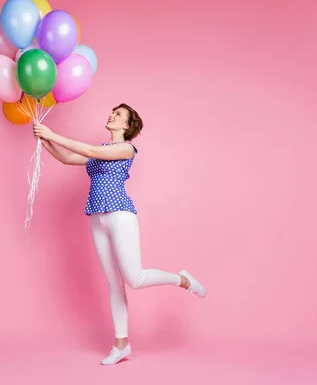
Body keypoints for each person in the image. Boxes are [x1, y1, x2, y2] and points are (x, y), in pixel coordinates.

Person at [32, 103, 206, 365]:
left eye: (118, 114)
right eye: (112, 111)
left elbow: (88, 150)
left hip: (120, 216)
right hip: (97, 217)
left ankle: (180, 279)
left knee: (134, 279)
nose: (111, 115)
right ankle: (121, 344)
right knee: (113, 283)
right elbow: (68, 158)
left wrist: (52, 133)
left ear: (126, 126)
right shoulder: (101, 151)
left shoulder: (126, 148)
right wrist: (44, 138)